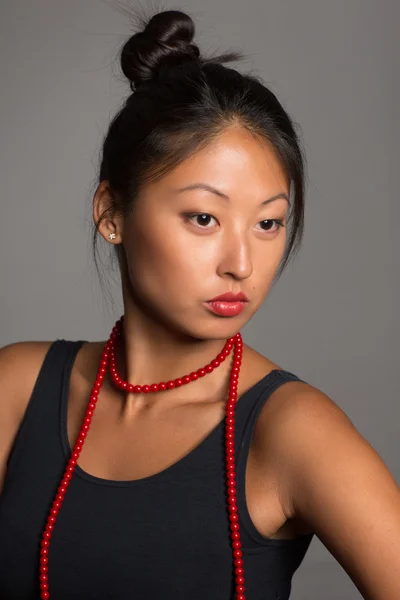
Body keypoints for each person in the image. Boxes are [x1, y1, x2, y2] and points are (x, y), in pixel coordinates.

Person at [0, 7, 399, 600]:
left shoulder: (293, 431)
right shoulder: (16, 390)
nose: (242, 261)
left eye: (269, 223)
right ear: (112, 212)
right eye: (204, 217)